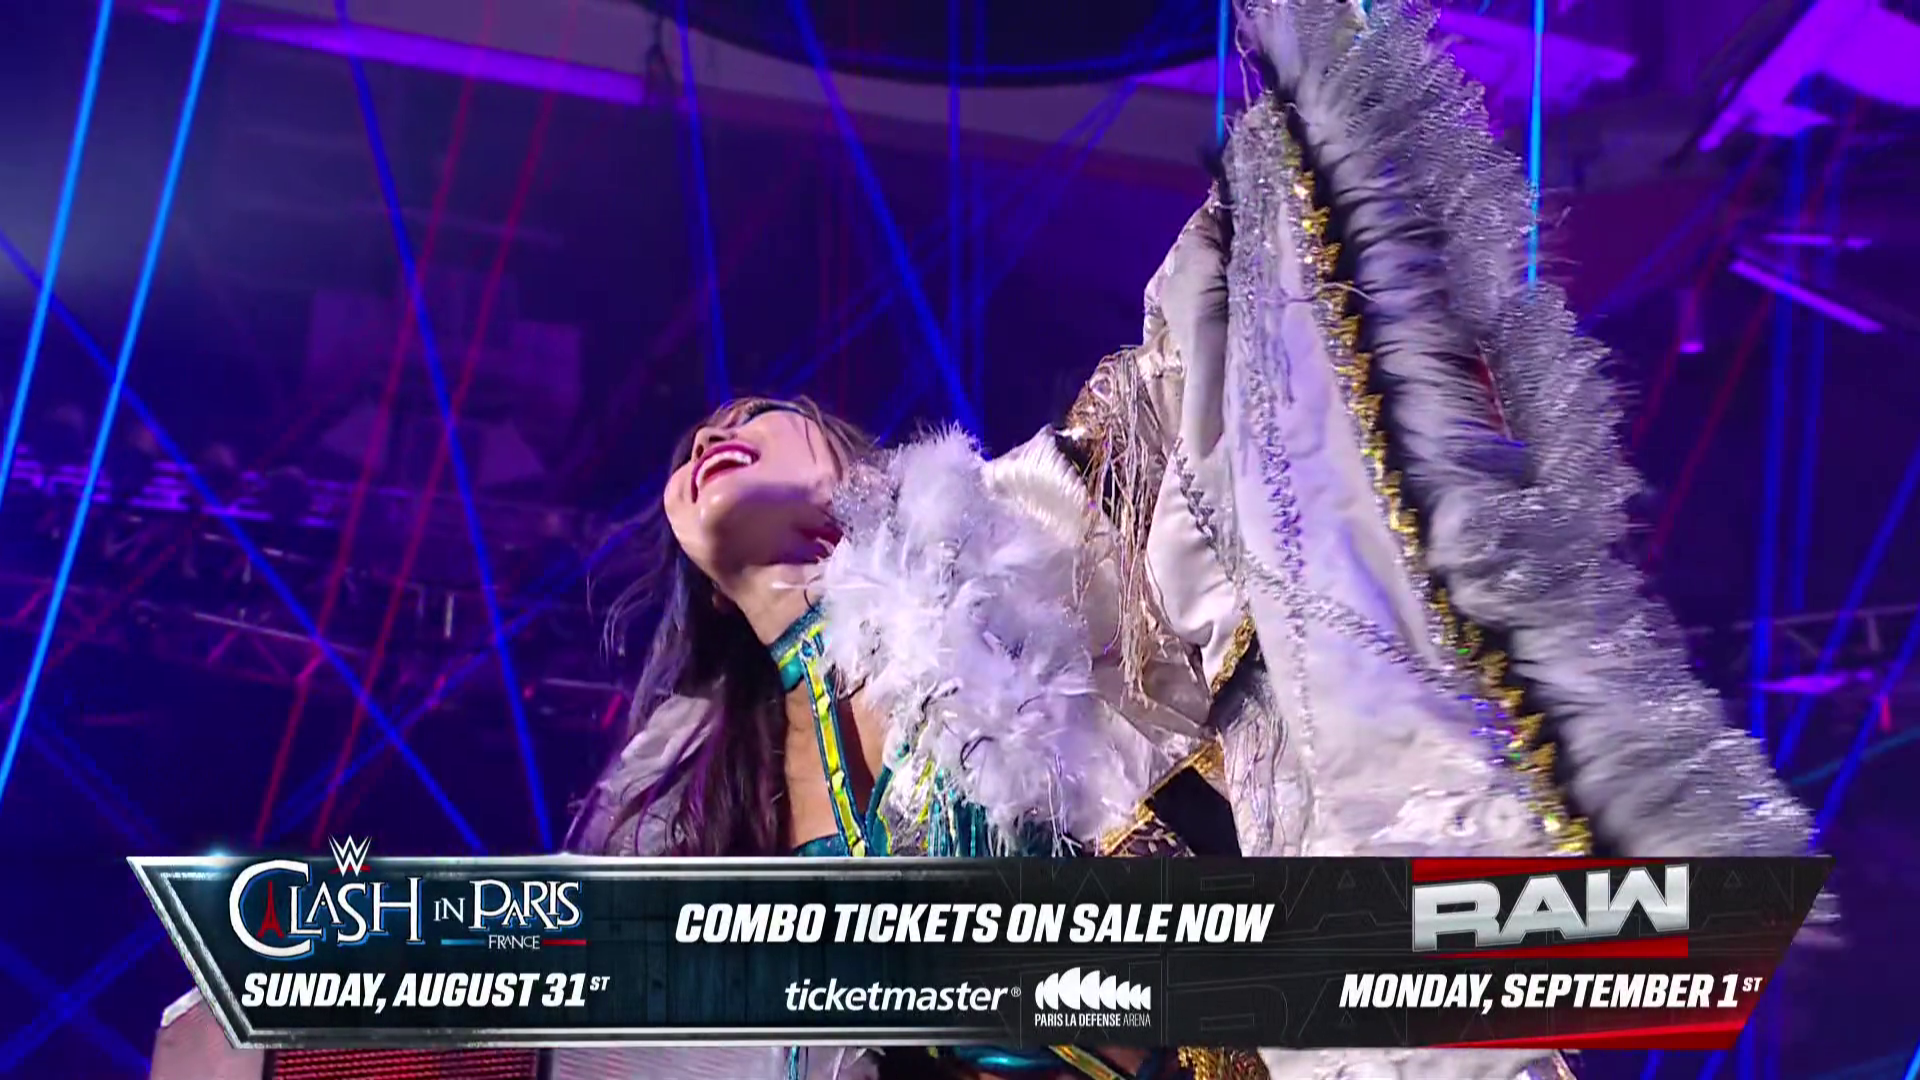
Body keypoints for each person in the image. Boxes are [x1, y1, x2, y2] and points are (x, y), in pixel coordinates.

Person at [567, 1, 1827, 1078]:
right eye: (693, 448)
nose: (714, 436)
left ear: (861, 469)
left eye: (753, 418)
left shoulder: (1020, 534)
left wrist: (1308, 106)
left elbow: (1221, 411)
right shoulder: (676, 811)